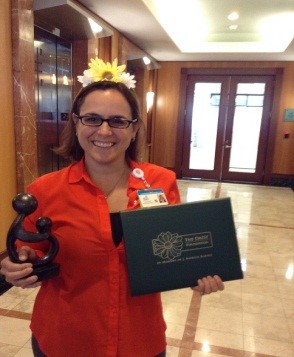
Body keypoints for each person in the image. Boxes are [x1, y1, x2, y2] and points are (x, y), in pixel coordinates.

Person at [0, 58, 224, 357]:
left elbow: (173, 249)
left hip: (139, 340)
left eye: (118, 121)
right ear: (77, 123)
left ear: (134, 129)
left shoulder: (160, 181)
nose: (104, 131)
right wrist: (19, 264)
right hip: (65, 340)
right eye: (92, 119)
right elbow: (29, 251)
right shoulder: (45, 189)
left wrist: (196, 272)